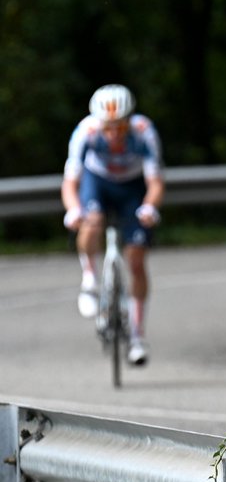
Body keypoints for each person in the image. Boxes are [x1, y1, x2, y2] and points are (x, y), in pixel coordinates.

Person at [61, 84, 164, 366]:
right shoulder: (86, 132)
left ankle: (137, 336)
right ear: (99, 123)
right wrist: (74, 210)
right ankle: (90, 281)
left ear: (130, 121)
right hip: (98, 183)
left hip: (132, 187)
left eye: (121, 126)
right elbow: (70, 182)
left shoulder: (144, 132)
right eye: (108, 127)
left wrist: (149, 207)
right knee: (91, 223)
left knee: (137, 260)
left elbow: (155, 181)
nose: (115, 133)